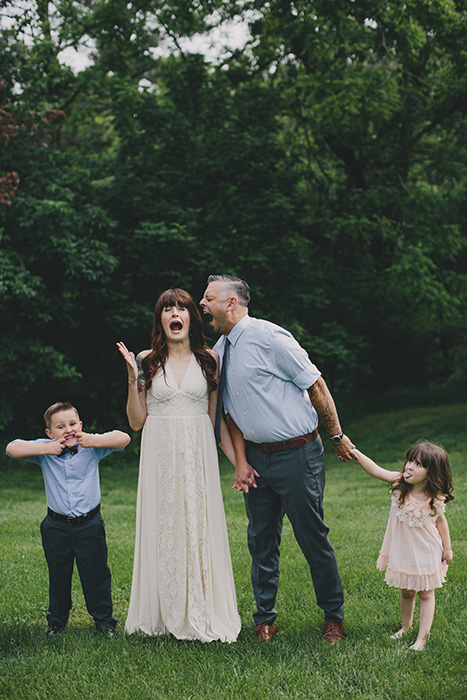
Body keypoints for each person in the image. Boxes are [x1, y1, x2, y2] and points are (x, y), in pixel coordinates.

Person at [200, 274, 354, 644]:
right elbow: (226, 415)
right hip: (255, 460)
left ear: (231, 303)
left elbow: (315, 385)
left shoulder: (271, 338)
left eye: (208, 298)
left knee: (311, 536)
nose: (202, 305)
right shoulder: (220, 350)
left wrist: (336, 436)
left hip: (298, 454)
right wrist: (240, 460)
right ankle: (264, 619)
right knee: (261, 540)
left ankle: (333, 615)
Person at [117, 288, 241, 643]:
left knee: (198, 523)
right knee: (163, 524)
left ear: (191, 317)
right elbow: (137, 421)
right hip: (159, 451)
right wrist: (131, 377)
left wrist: (238, 464)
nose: (175, 314)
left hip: (197, 451)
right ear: (161, 319)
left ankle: (201, 606)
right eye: (167, 309)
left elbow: (216, 421)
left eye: (181, 308)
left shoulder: (209, 360)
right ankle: (161, 609)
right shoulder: (146, 360)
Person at [6, 401, 130, 637]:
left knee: (96, 575)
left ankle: (104, 622)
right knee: (59, 575)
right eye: (60, 426)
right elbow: (12, 449)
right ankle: (57, 622)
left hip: (90, 525)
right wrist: (47, 449)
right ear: (50, 433)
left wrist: (93, 439)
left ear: (80, 425)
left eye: (72, 424)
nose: (68, 430)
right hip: (56, 526)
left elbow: (123, 439)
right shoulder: (46, 450)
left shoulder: (91, 447)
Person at [351, 442, 453, 650]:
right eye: (410, 461)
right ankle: (405, 628)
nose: (409, 467)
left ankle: (422, 639)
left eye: (418, 464)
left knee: (426, 593)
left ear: (431, 473)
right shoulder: (400, 484)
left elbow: (441, 523)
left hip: (427, 550)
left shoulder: (434, 498)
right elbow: (375, 470)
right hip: (404, 550)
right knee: (407, 591)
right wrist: (354, 452)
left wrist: (448, 548)